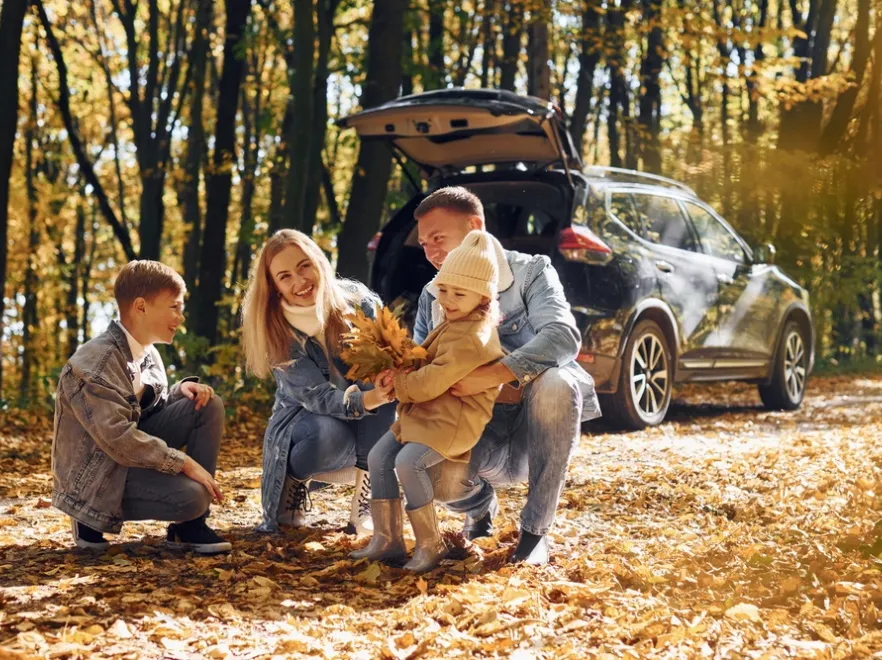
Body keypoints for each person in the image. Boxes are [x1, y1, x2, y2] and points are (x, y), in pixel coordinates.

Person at [412, 186, 602, 565]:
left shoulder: (531, 271)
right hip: (477, 430)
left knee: (556, 382)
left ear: (474, 227)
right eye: (423, 244)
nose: (431, 252)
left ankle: (535, 536)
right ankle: (479, 507)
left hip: (535, 432)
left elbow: (563, 337)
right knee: (432, 474)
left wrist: (493, 375)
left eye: (438, 238)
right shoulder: (431, 295)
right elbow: (421, 368)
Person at [52, 260, 231, 554]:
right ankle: (88, 517)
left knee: (206, 405)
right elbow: (118, 437)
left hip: (124, 459)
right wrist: (184, 464)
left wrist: (178, 393)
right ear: (141, 306)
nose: (181, 317)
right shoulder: (95, 364)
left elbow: (145, 412)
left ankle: (189, 528)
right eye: (174, 307)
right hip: (96, 476)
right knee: (193, 496)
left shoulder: (148, 354)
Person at [351, 231, 504, 572]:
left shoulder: (475, 336)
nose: (447, 299)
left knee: (408, 462)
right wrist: (398, 369)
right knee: (378, 456)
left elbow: (434, 380)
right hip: (427, 412)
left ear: (483, 296)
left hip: (453, 420)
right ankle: (388, 538)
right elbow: (426, 363)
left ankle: (429, 543)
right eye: (444, 290)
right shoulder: (455, 321)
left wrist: (401, 385)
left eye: (458, 293)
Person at [241, 229, 396, 534]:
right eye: (285, 276)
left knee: (378, 377)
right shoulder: (276, 330)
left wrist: (385, 385)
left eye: (304, 266)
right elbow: (317, 398)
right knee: (327, 431)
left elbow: (392, 357)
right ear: (274, 287)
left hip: (369, 428)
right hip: (310, 425)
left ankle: (366, 502)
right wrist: (370, 400)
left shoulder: (359, 302)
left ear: (318, 262)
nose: (299, 281)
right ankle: (294, 482)